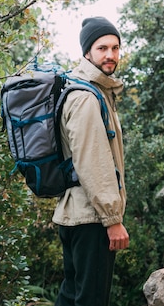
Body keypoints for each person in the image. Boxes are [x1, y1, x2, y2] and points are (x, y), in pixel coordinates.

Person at [53, 16, 129, 306]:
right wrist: (112, 219)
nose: (110, 55)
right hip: (91, 218)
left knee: (73, 296)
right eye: (102, 48)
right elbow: (91, 161)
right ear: (87, 53)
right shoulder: (85, 96)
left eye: (115, 47)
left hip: (78, 213)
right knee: (91, 299)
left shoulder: (93, 90)